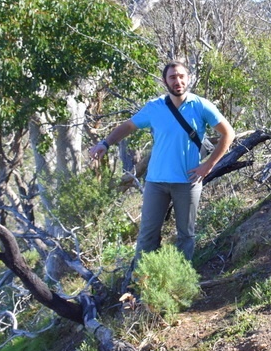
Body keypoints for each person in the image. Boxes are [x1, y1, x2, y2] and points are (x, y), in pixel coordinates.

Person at [88, 61, 235, 262]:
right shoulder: (154, 107)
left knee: (186, 236)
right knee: (147, 236)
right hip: (156, 182)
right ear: (165, 80)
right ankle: (143, 282)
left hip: (188, 181)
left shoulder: (201, 106)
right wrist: (105, 143)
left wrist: (208, 165)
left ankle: (182, 283)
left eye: (181, 76)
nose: (178, 81)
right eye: (173, 77)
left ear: (188, 78)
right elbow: (129, 126)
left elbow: (228, 133)